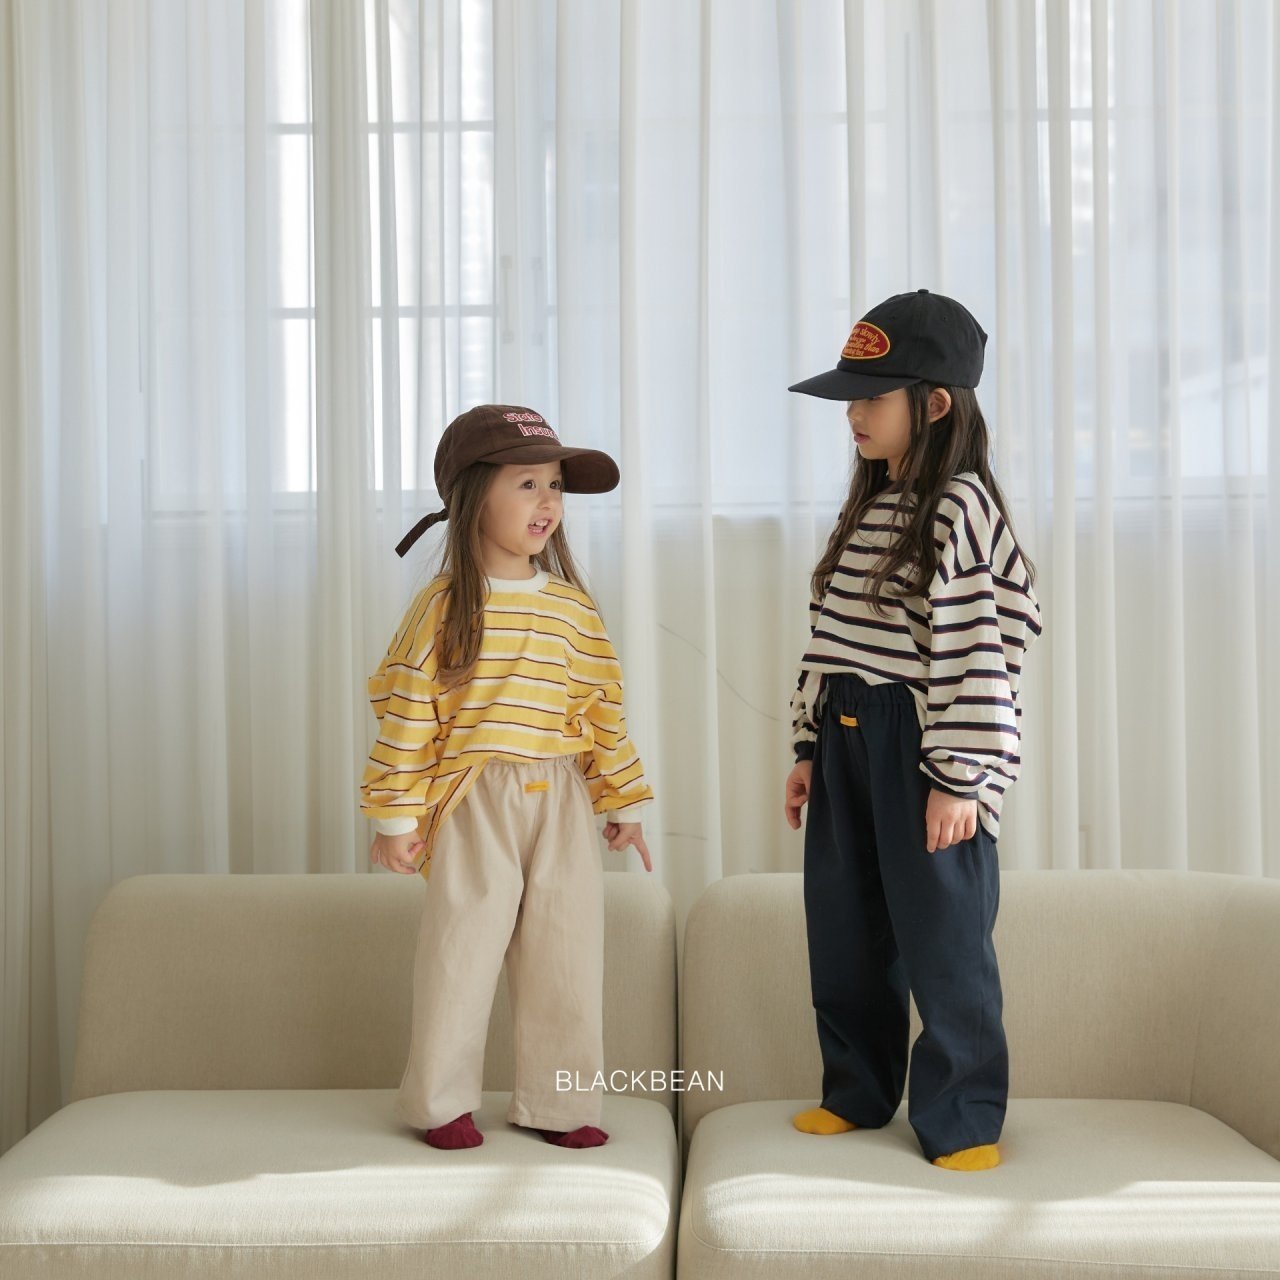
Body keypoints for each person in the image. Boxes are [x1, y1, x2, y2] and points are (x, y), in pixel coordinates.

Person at [783, 290, 1042, 1171]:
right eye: (849, 398)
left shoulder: (958, 506)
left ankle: (961, 1116)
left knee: (944, 937)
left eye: (870, 396)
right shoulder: (871, 503)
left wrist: (959, 777)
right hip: (848, 731)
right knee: (845, 925)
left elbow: (980, 650)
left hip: (923, 742)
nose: (852, 415)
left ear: (933, 404)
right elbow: (830, 635)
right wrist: (808, 746)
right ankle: (855, 1091)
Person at [359, 403, 654, 1151]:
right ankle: (440, 1103)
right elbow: (409, 711)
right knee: (461, 951)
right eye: (527, 484)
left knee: (566, 951)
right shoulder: (442, 607)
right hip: (474, 797)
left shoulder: (572, 610)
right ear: (473, 497)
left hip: (561, 797)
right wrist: (395, 818)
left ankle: (561, 1104)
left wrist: (622, 802)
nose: (548, 501)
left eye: (554, 485)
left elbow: (602, 710)